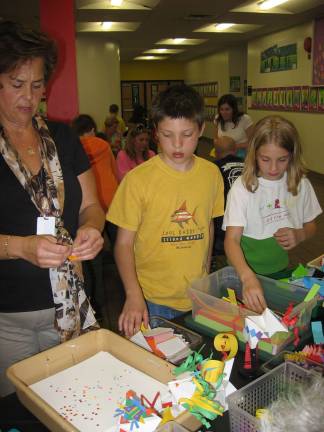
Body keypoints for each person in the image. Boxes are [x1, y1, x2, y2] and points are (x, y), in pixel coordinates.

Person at [0, 21, 105, 396]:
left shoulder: (63, 137)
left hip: (71, 301)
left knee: (76, 399)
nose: (29, 97)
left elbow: (92, 206)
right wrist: (21, 247)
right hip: (8, 319)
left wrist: (92, 229)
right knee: (20, 408)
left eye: (37, 84)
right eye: (16, 84)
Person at [107, 84, 224, 337]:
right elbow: (123, 244)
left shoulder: (211, 174)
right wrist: (133, 294)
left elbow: (209, 226)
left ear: (201, 129)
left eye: (187, 134)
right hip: (152, 298)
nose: (178, 144)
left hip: (197, 295)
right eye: (168, 135)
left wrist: (205, 274)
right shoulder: (137, 180)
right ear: (155, 133)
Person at [223, 115, 322, 313]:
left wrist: (300, 234)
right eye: (265, 159)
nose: (274, 168)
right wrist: (247, 276)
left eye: (282, 160)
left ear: (292, 156)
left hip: (280, 271)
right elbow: (231, 240)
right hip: (241, 273)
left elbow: (312, 225)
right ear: (254, 155)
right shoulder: (243, 188)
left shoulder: (300, 184)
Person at [71, 114, 118, 212]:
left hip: (88, 202)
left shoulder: (73, 148)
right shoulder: (104, 145)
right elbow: (115, 172)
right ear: (92, 130)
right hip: (111, 199)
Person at [212, 135, 244, 259]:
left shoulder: (213, 169)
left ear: (215, 153)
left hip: (224, 226)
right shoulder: (250, 165)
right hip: (249, 224)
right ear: (235, 150)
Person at [213, 94, 253, 159]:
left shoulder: (245, 119)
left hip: (242, 154)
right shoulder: (218, 118)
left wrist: (234, 146)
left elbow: (252, 142)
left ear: (234, 109)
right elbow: (215, 138)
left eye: (227, 109)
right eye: (221, 109)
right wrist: (219, 147)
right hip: (223, 154)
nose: (224, 112)